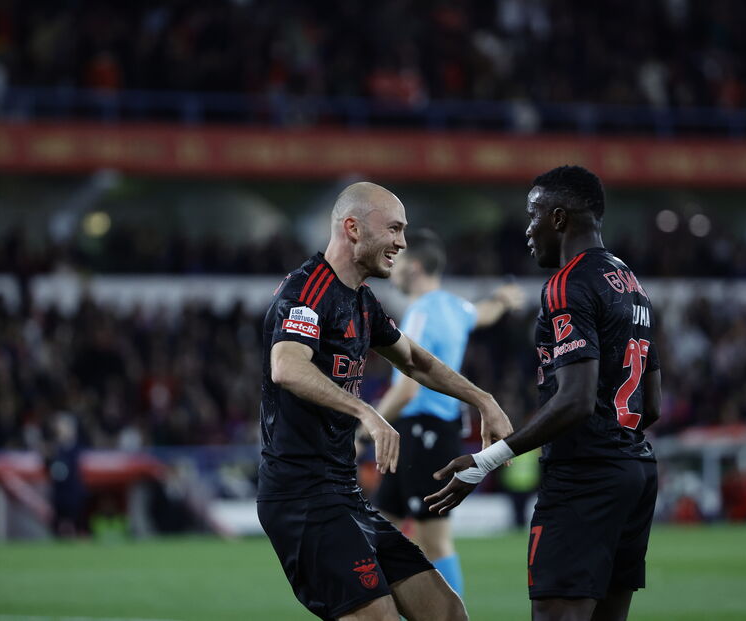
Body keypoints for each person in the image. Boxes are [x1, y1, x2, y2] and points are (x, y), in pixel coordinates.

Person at [258, 181, 514, 621]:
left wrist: (483, 399)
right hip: (302, 497)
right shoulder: (307, 291)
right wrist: (367, 413)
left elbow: (414, 359)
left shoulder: (361, 300)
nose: (402, 242)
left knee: (447, 612)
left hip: (344, 494)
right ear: (353, 228)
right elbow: (286, 366)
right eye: (394, 229)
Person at [426, 166, 662, 621]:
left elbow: (574, 399)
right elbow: (650, 404)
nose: (527, 229)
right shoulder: (634, 285)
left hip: (584, 478)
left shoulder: (566, 284)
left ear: (558, 218)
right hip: (634, 474)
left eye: (533, 216)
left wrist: (485, 461)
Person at [373, 228, 524, 598]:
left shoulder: (420, 314)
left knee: (434, 541)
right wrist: (503, 299)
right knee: (381, 532)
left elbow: (407, 388)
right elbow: (485, 313)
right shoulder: (456, 307)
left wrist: (367, 423)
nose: (393, 268)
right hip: (430, 432)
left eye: (401, 260)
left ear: (416, 267)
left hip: (423, 430)